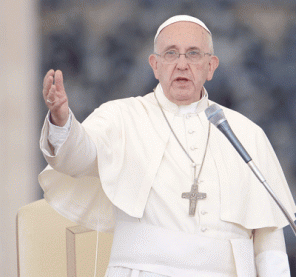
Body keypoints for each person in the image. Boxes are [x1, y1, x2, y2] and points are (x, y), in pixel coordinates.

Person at [39, 15, 296, 277]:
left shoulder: (246, 133)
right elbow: (78, 157)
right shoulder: (121, 117)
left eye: (193, 54)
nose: (182, 64)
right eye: (171, 54)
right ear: (155, 65)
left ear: (211, 66)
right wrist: (62, 121)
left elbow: (269, 239)